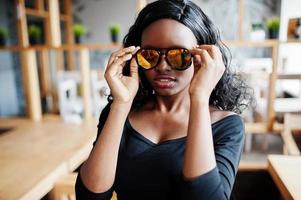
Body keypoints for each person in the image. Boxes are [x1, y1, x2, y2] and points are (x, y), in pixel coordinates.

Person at [75, 0, 253, 199]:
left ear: (202, 57)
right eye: (150, 55)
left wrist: (200, 98)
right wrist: (121, 105)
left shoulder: (226, 125)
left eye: (179, 55)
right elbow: (89, 197)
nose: (162, 66)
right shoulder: (119, 111)